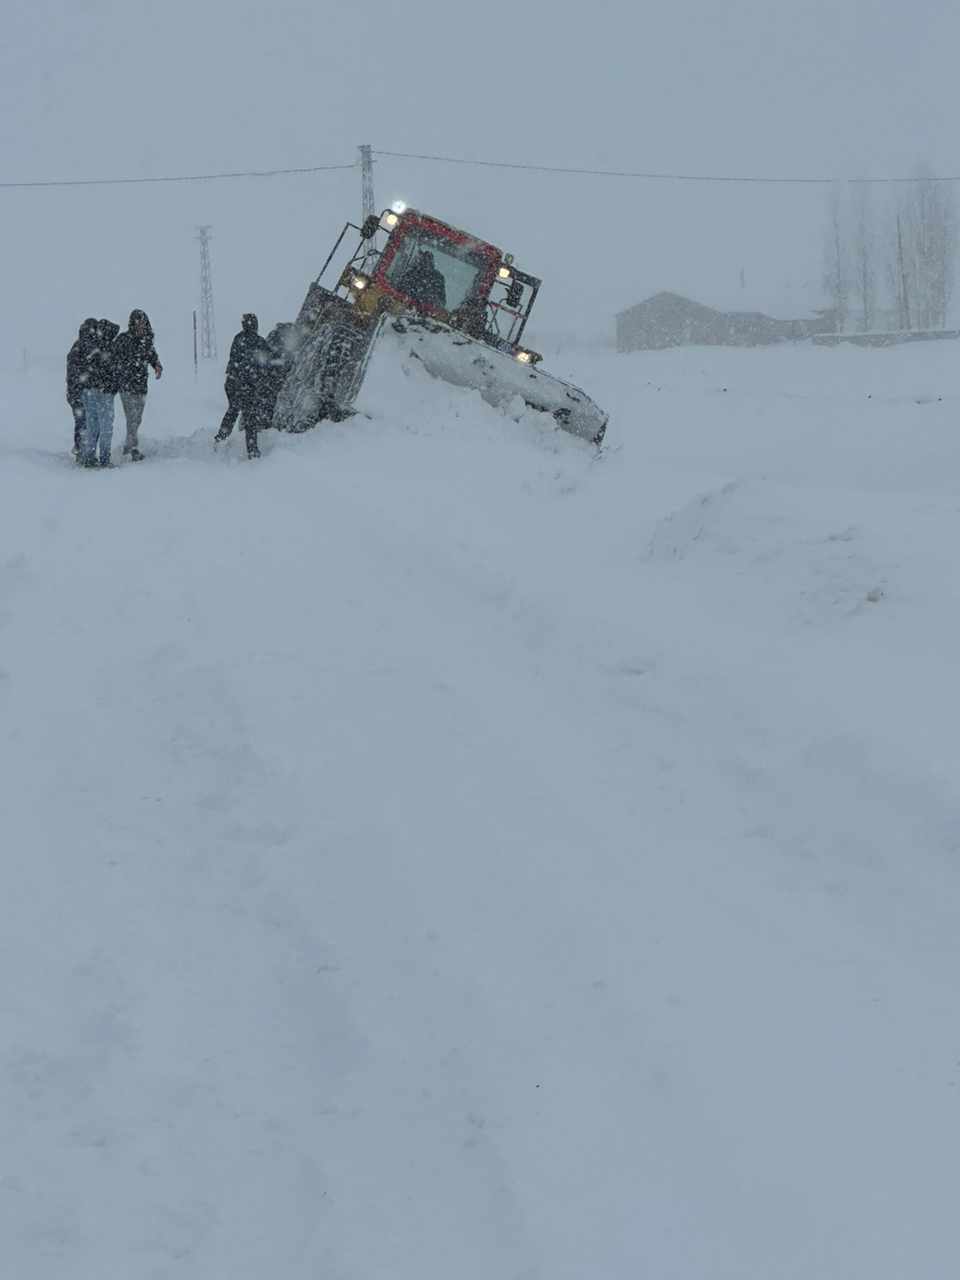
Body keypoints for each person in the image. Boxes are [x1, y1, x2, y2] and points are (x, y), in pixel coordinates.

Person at [215, 314, 272, 458]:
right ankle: (252, 450)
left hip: (232, 383)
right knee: (250, 418)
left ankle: (220, 438)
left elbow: (235, 361)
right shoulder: (259, 342)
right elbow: (268, 363)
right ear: (256, 325)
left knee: (233, 410)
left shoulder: (238, 338)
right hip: (246, 385)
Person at [112, 309, 162, 461]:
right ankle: (132, 449)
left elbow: (152, 355)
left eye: (143, 324)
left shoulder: (146, 341)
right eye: (138, 323)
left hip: (141, 386)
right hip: (126, 386)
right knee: (132, 418)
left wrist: (157, 366)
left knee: (137, 419)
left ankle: (130, 445)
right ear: (132, 324)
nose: (141, 326)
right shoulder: (123, 339)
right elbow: (112, 358)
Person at [66, 318, 99, 456]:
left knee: (83, 422)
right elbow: (76, 374)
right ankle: (82, 451)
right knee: (84, 423)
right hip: (80, 393)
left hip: (77, 393)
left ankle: (82, 449)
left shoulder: (78, 347)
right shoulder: (83, 348)